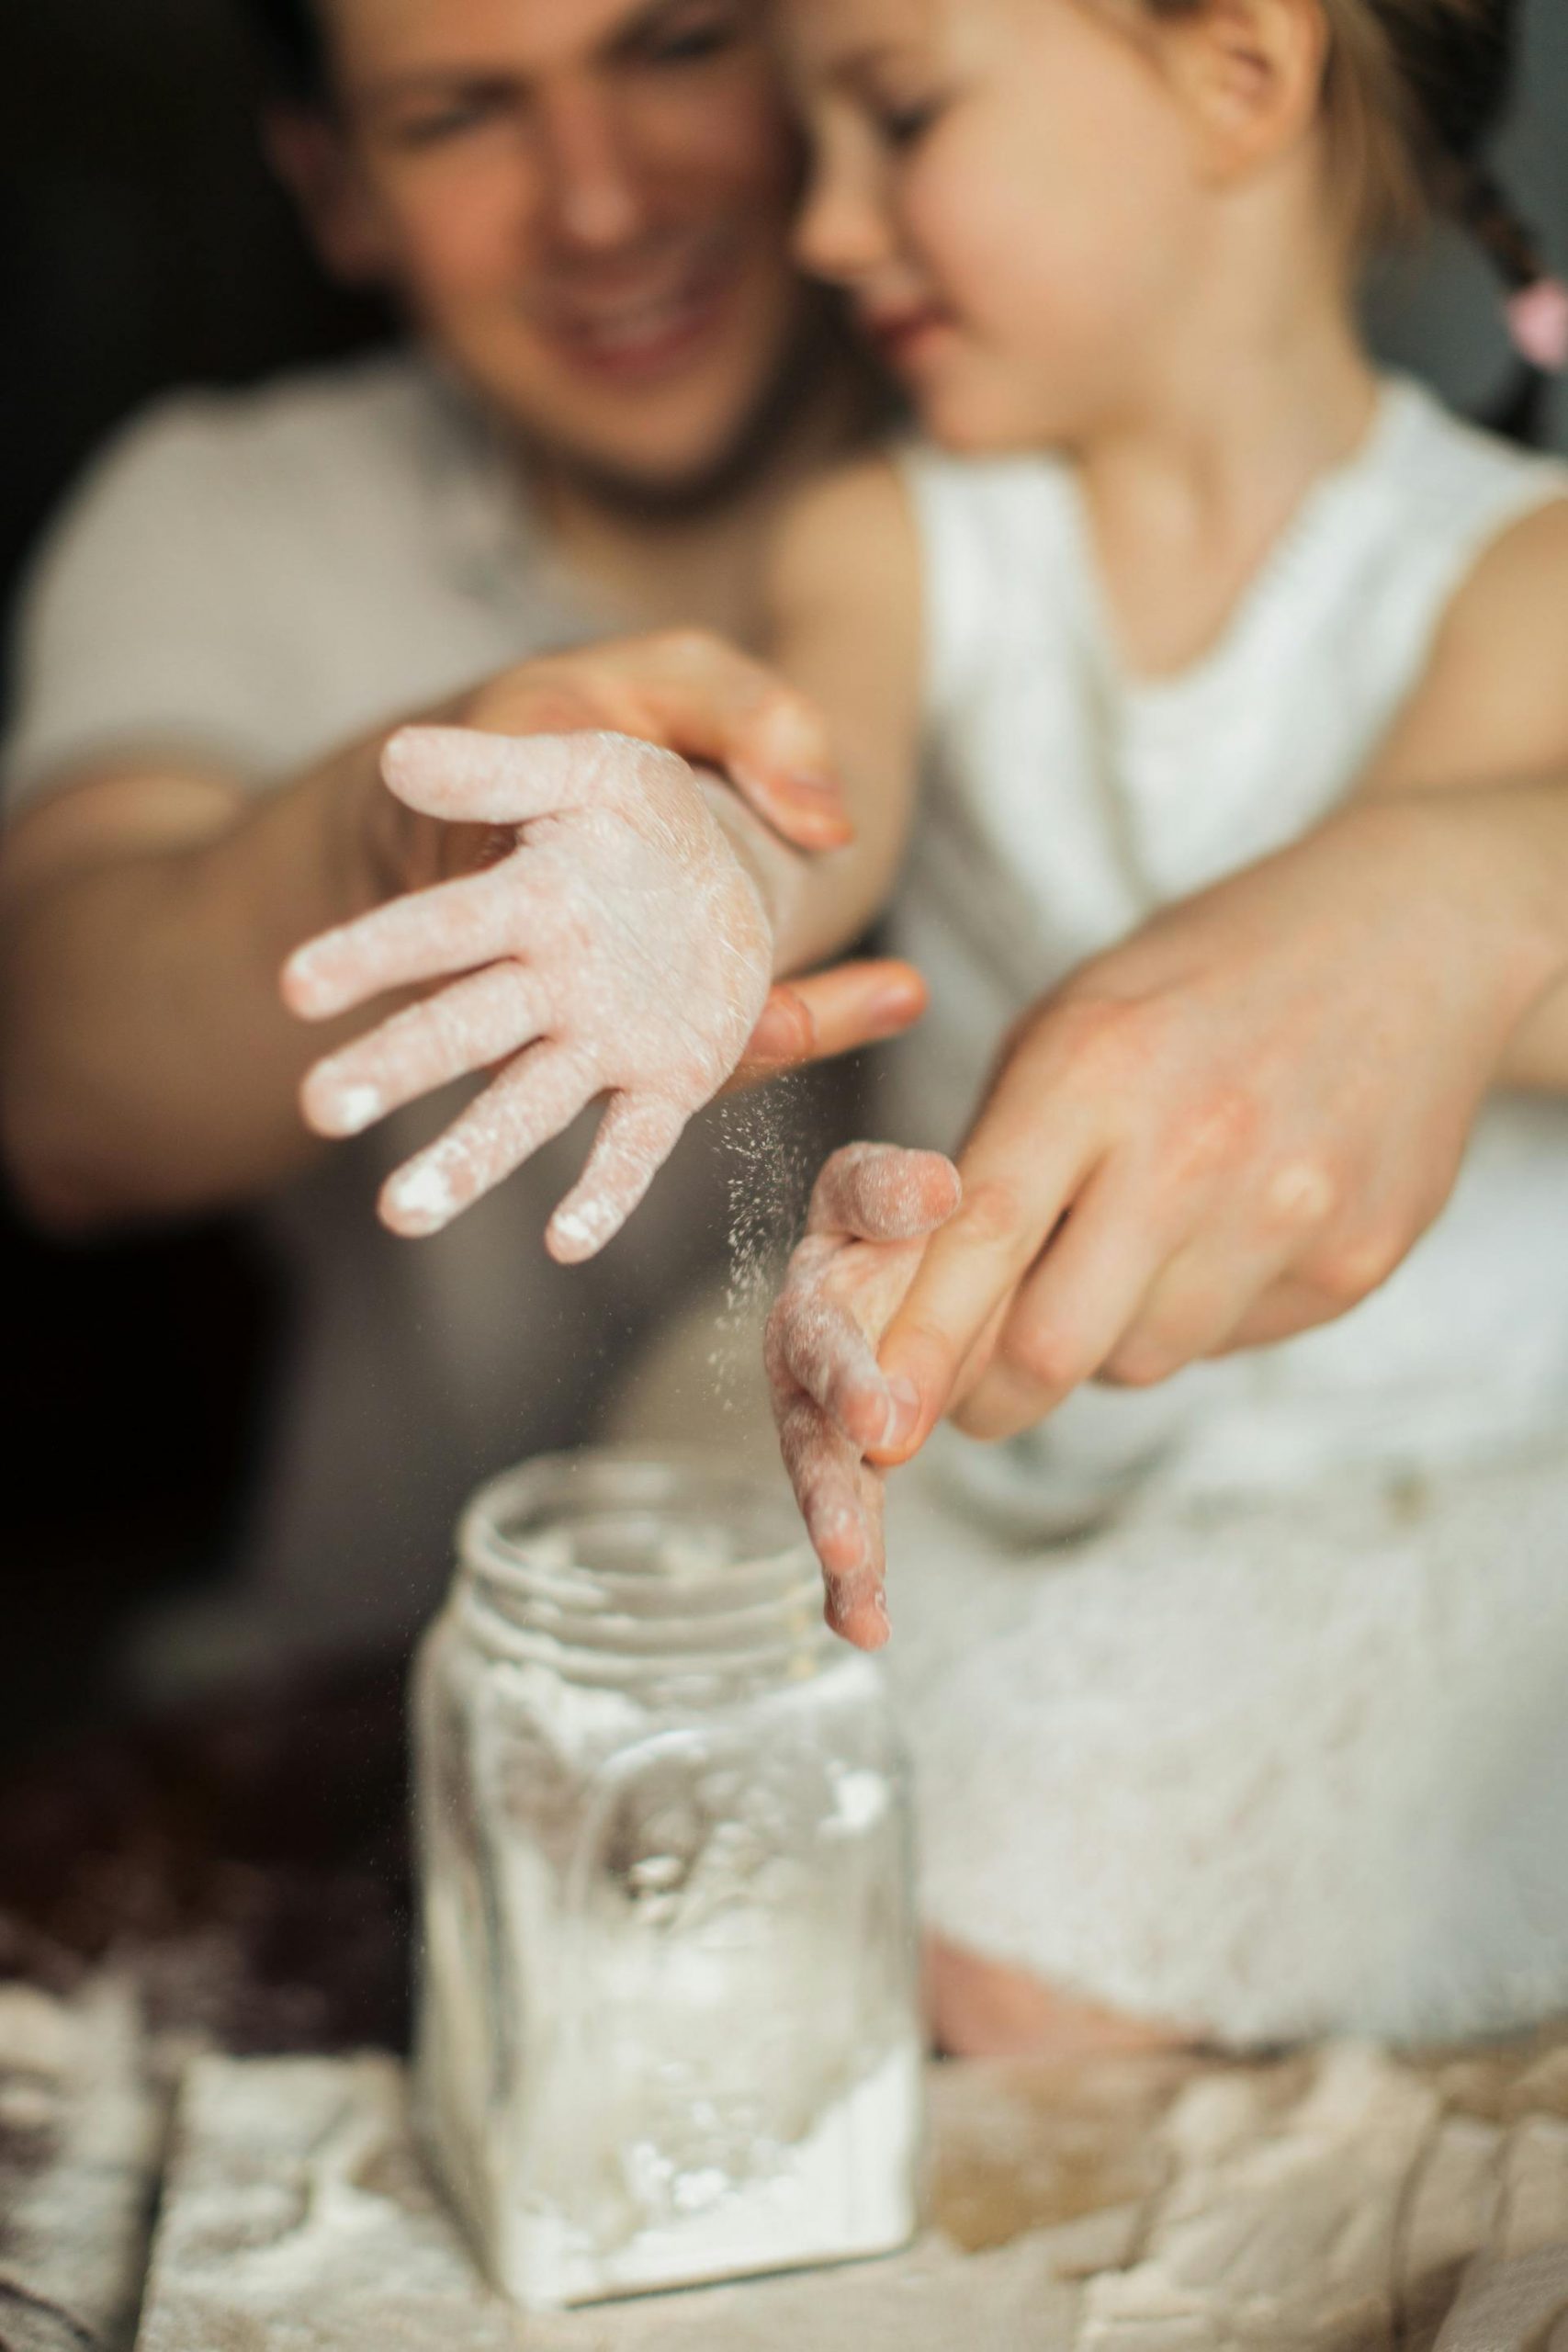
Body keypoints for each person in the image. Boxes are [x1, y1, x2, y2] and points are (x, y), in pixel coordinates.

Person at [276, 0, 1568, 2055]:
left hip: (1400, 1471)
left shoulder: (1517, 574)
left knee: (995, 1948)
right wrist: (685, 866)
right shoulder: (890, 534)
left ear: (1237, 71)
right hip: (989, 1436)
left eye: (895, 118)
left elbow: (1442, 925)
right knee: (616, 1772)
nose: (824, 227)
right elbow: (812, 791)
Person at [0, 0, 924, 1686]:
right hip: (400, 1669)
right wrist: (391, 826)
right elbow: (64, 1093)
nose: (599, 204)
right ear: (334, 187)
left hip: (980, 1654)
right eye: (458, 117)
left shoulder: (1038, 435)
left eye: (675, 50)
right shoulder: (220, 511)